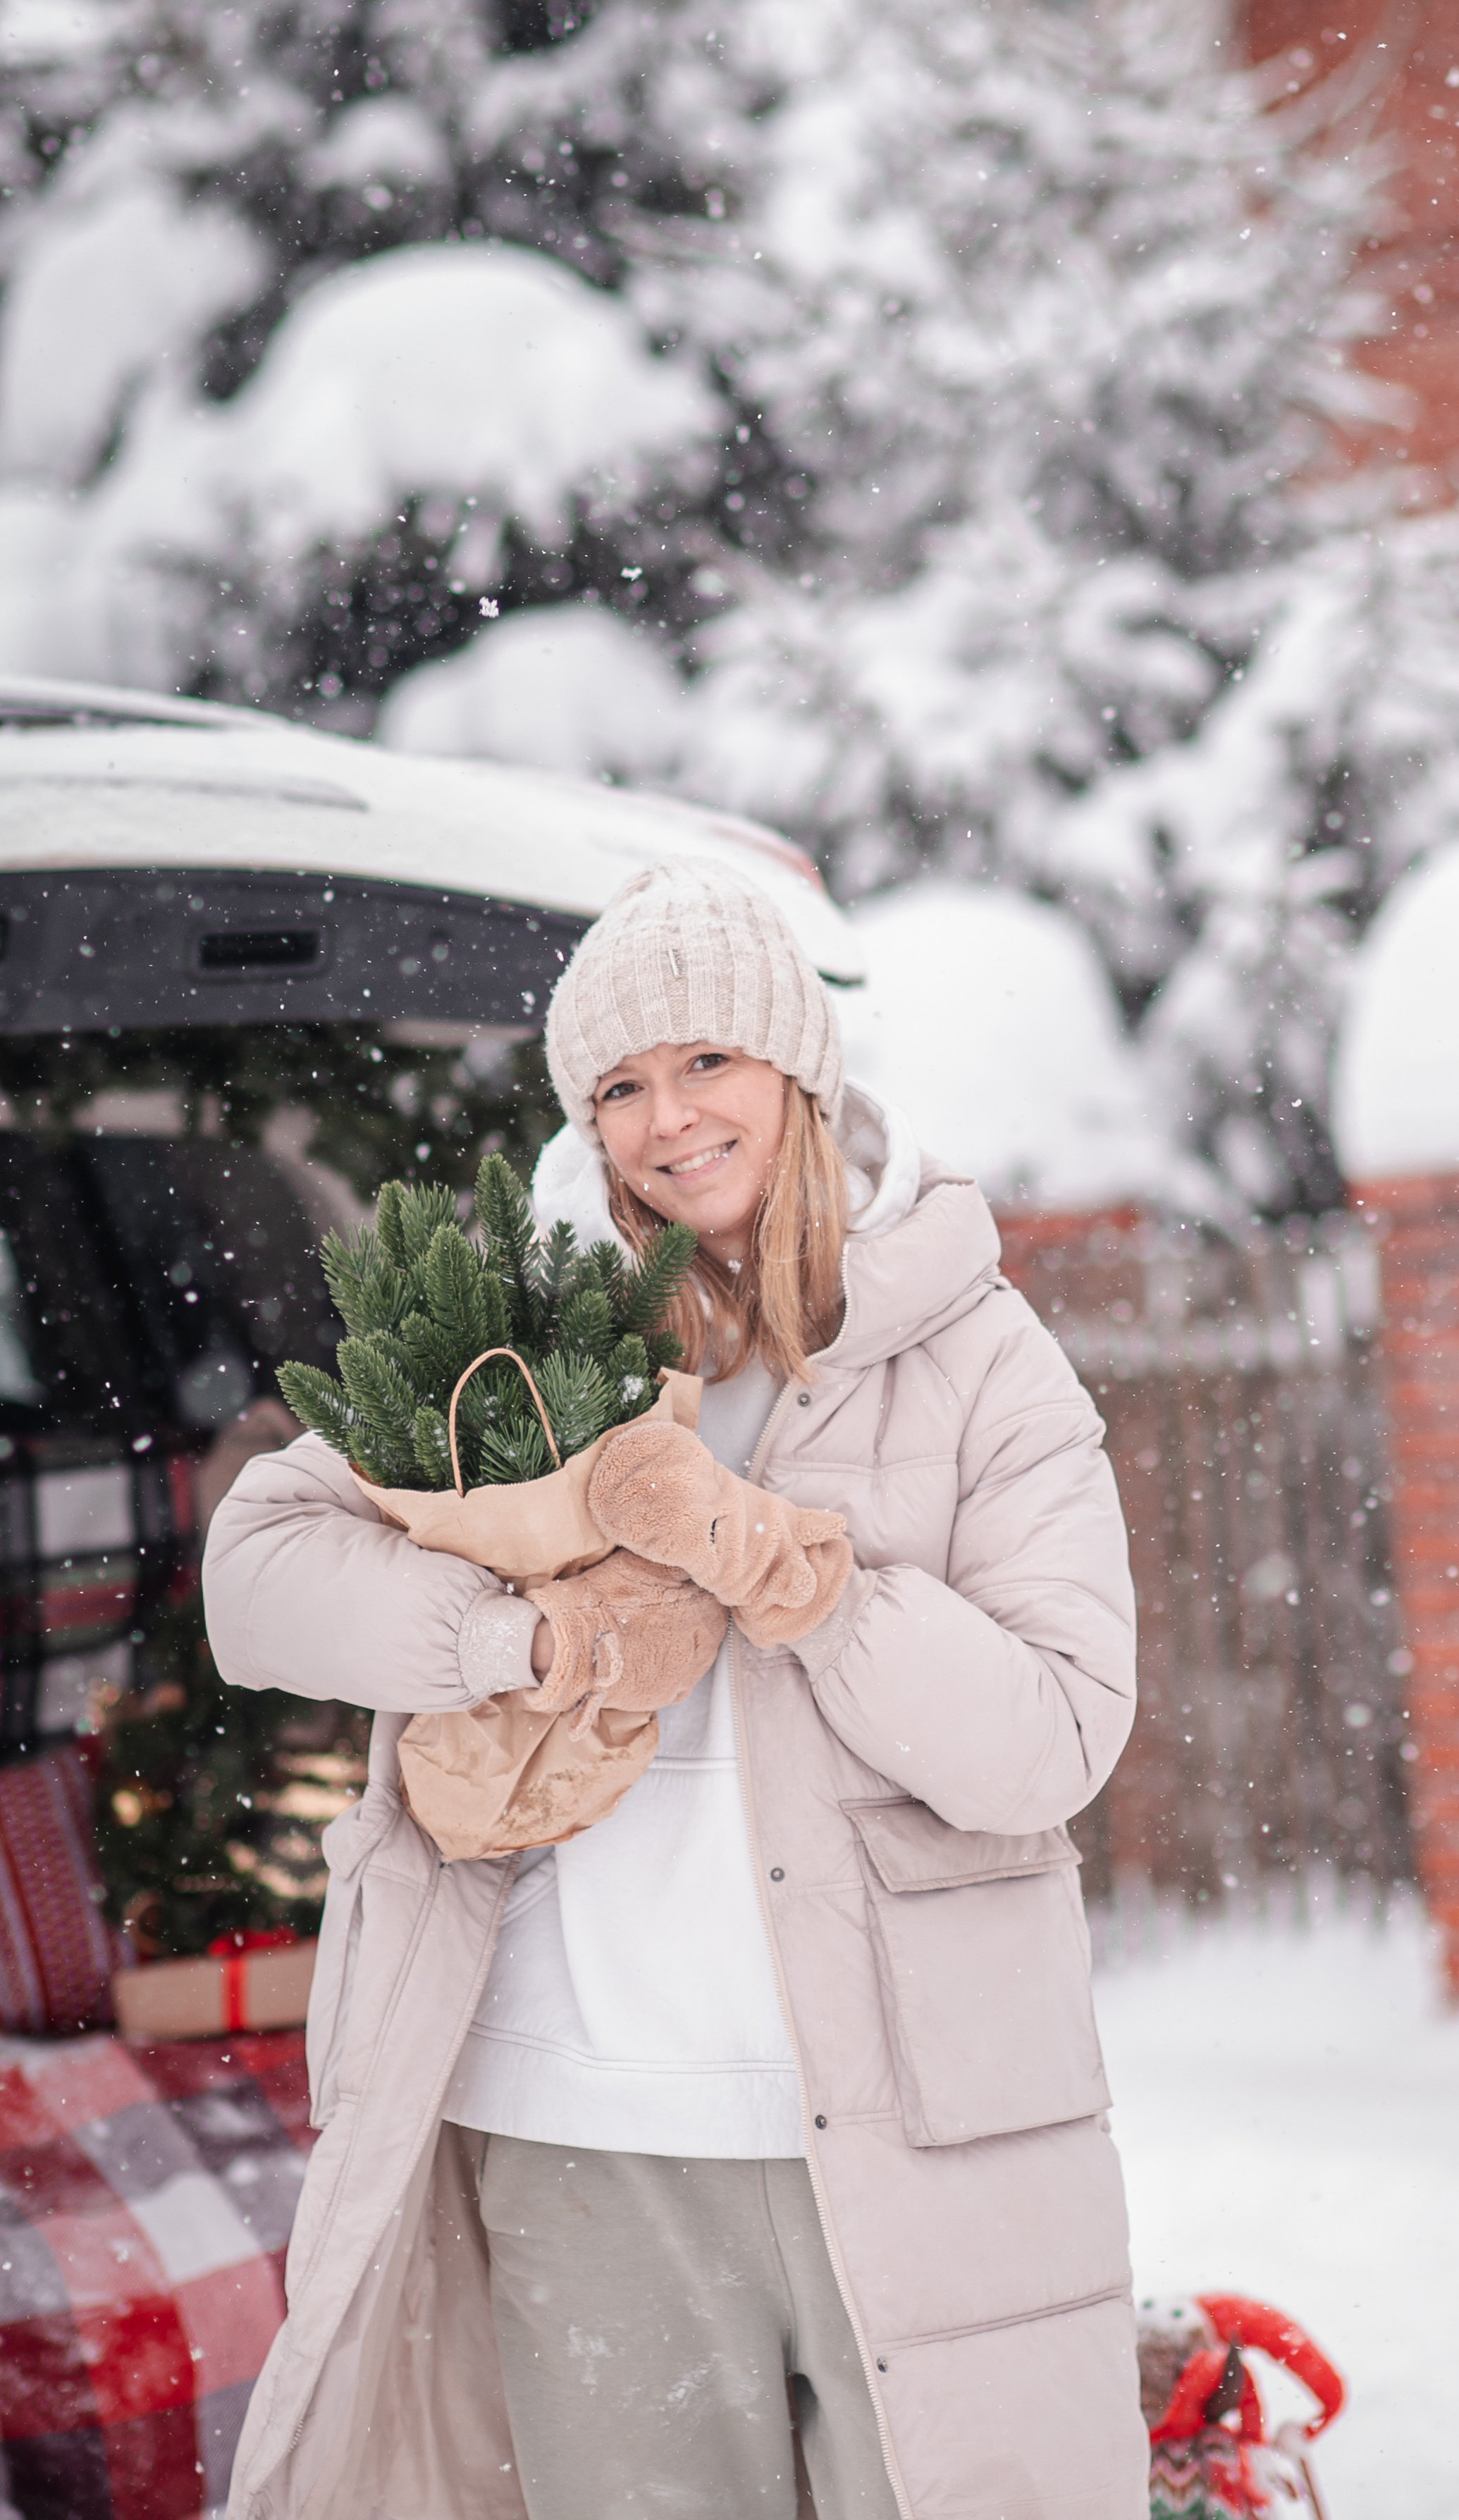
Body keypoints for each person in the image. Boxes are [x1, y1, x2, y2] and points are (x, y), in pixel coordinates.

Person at [203, 859, 1145, 2520]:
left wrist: (796, 1577)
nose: (668, 1118)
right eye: (621, 1085)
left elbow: (1051, 1739)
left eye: (705, 1060)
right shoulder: (514, 1334)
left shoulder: (977, 1352)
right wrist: (516, 1645)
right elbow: (255, 1583)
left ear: (794, 1069)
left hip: (911, 2128)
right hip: (576, 2128)